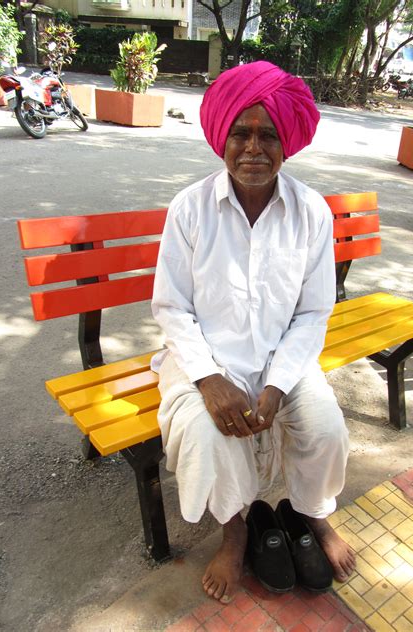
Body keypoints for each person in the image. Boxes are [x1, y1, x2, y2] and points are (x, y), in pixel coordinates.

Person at [151, 61, 356, 604]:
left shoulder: (311, 212)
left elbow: (313, 314)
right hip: (204, 359)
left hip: (281, 359)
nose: (253, 148)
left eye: (268, 135)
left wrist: (278, 382)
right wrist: (208, 378)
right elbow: (172, 308)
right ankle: (236, 530)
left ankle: (314, 516)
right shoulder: (190, 209)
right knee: (207, 436)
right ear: (222, 138)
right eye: (240, 133)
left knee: (326, 429)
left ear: (286, 145)